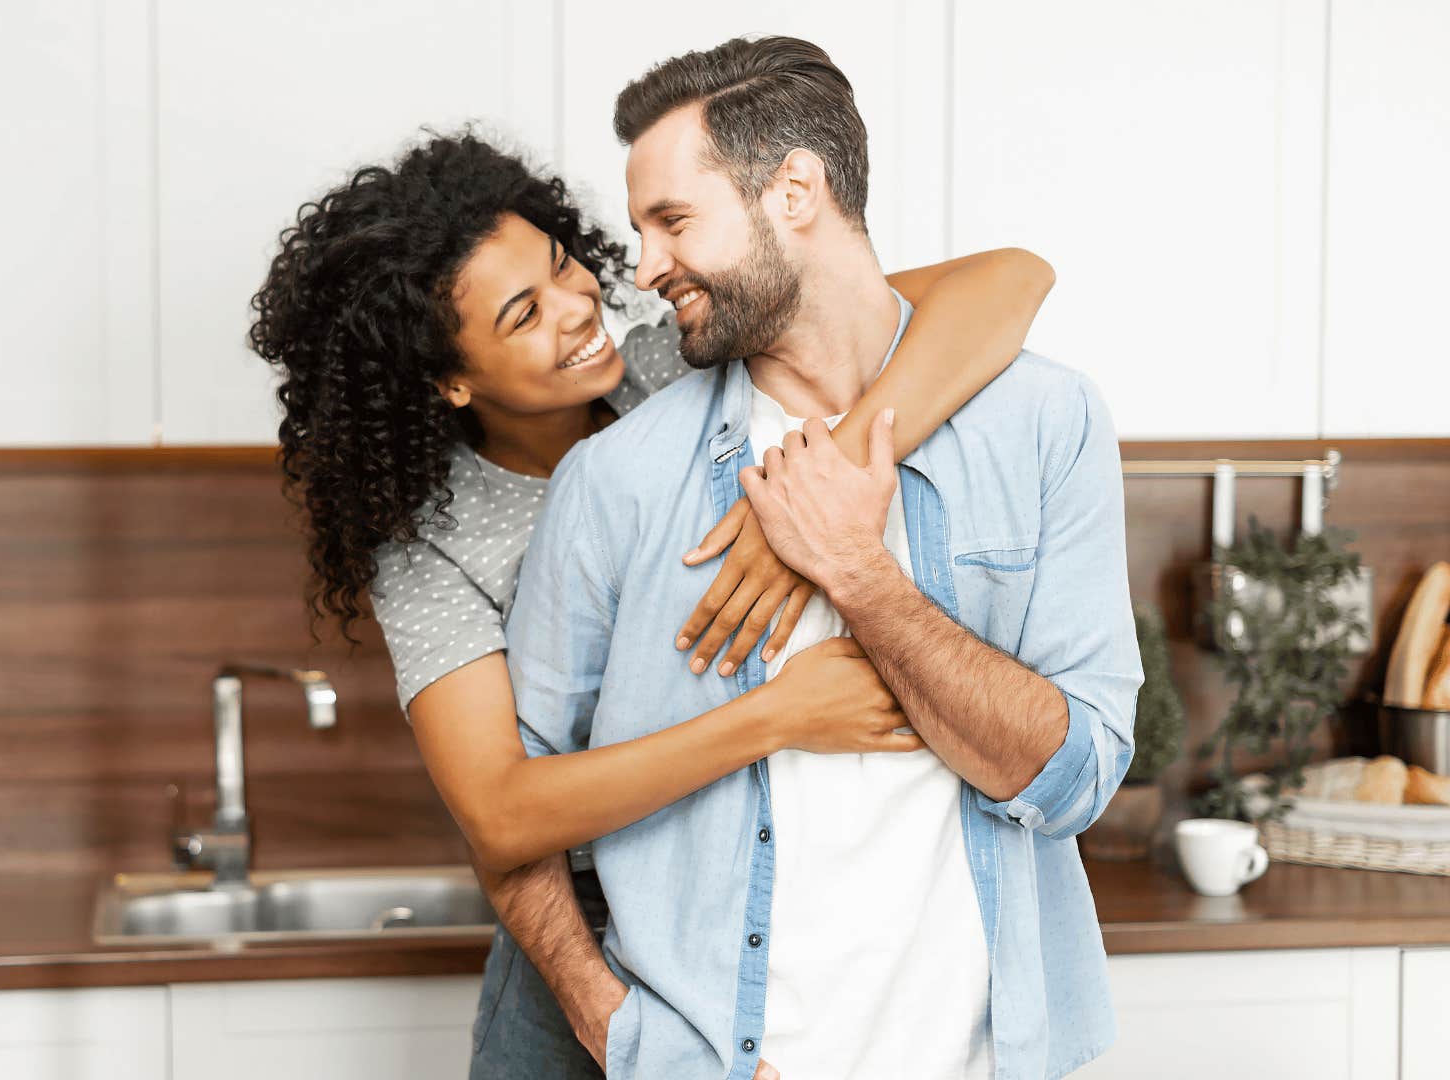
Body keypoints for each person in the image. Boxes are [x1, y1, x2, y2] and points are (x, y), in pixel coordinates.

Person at [250, 130, 1056, 1077]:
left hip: (749, 913)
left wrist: (814, 498)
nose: (578, 308)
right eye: (523, 314)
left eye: (561, 266)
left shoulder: (674, 362)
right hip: (581, 956)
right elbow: (504, 815)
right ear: (449, 380)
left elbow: (1010, 281)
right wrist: (774, 720)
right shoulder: (432, 543)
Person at [503, 36, 1143, 1079]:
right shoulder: (615, 482)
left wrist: (859, 573)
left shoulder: (1045, 422)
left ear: (794, 188)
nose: (645, 266)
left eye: (673, 220)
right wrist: (623, 1033)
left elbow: (1074, 780)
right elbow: (522, 815)